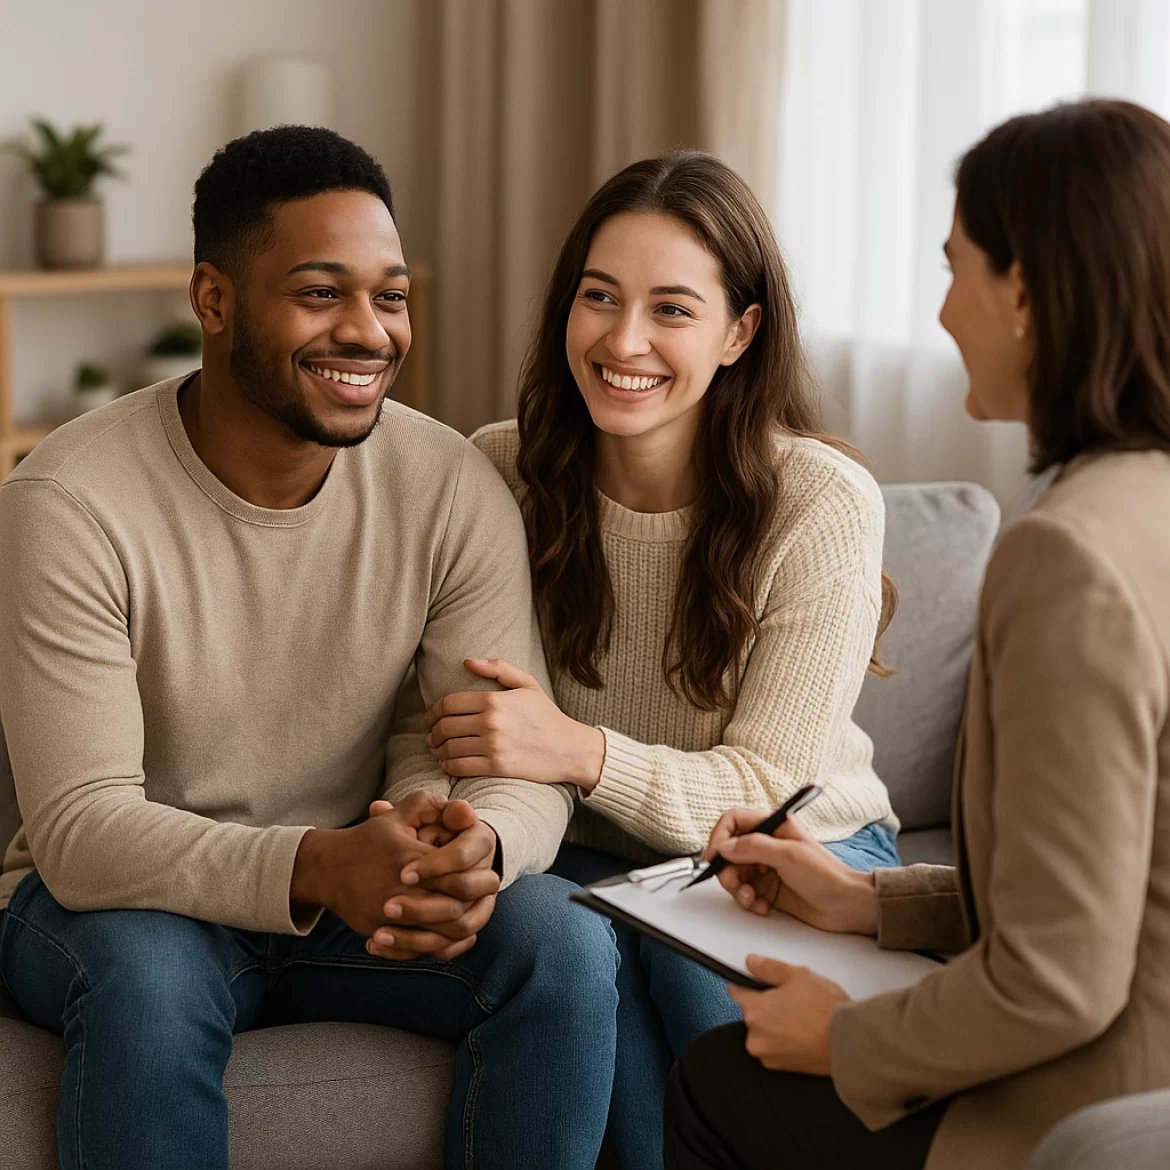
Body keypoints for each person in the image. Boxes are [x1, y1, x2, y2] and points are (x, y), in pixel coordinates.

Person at [0, 126, 620, 1170]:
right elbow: (81, 829)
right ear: (214, 300)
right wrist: (319, 865)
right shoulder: (67, 503)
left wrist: (478, 848)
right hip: (124, 904)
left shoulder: (449, 485)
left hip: (355, 896)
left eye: (391, 295)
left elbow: (497, 750)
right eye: (322, 293)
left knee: (562, 940)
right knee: (148, 983)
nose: (369, 331)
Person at [663, 98, 1170, 1170]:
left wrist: (844, 1039)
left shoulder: (1067, 559)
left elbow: (1060, 980)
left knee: (720, 1080)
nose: (942, 313)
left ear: (1023, 289)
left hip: (1096, 1110)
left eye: (955, 268)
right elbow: (1112, 883)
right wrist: (861, 901)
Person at [413, 150, 900, 1170]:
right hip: (587, 856)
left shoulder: (819, 503)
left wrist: (579, 751)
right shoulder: (496, 470)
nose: (623, 340)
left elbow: (766, 797)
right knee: (576, 945)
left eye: (672, 309)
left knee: (690, 945)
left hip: (799, 852)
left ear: (740, 332)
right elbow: (448, 726)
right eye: (599, 298)